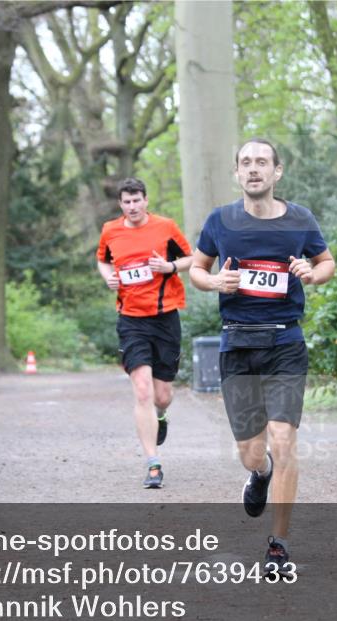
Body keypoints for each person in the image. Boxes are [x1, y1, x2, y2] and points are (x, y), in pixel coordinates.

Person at [189, 138, 335, 572]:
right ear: (237, 173)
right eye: (246, 163)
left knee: (285, 440)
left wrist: (313, 273)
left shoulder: (299, 220)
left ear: (277, 172)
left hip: (285, 343)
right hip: (237, 344)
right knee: (252, 452)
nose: (254, 169)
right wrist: (215, 283)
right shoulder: (221, 220)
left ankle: (278, 544)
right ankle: (260, 473)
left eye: (262, 162)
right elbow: (197, 269)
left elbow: (327, 262)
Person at [97, 177, 193, 489]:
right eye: (126, 202)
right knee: (142, 391)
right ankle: (153, 463)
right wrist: (110, 277)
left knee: (162, 395)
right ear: (120, 204)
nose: (132, 206)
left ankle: (161, 415)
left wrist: (170, 268)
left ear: (146, 201)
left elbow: (192, 259)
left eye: (137, 200)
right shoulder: (110, 230)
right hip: (131, 319)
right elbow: (102, 261)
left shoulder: (166, 227)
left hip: (165, 318)